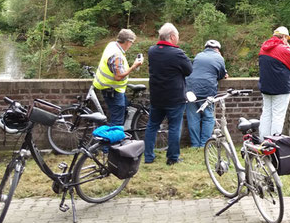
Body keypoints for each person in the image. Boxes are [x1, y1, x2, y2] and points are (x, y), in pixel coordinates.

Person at [145, 23, 192, 165]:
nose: (178, 38)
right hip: (174, 97)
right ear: (172, 37)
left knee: (152, 125)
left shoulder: (152, 51)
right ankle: (172, 158)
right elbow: (189, 70)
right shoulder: (177, 53)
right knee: (174, 127)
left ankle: (148, 156)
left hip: (157, 96)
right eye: (177, 36)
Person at [92, 29, 144, 126]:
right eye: (131, 43)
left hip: (113, 89)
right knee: (117, 122)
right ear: (128, 42)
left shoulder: (112, 45)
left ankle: (119, 137)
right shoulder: (117, 55)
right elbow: (118, 76)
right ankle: (115, 140)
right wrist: (134, 67)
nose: (131, 45)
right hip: (113, 91)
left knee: (122, 111)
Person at [258, 26, 290, 138]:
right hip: (281, 88)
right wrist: (289, 48)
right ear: (283, 37)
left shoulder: (263, 48)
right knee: (278, 115)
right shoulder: (283, 49)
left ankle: (263, 140)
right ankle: (273, 142)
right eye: (287, 38)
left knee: (266, 114)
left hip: (265, 87)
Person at [185, 40, 228, 148]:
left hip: (190, 88)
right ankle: (204, 144)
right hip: (207, 89)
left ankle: (195, 145)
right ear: (217, 49)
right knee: (208, 116)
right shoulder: (219, 58)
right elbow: (221, 74)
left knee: (193, 117)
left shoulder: (199, 55)